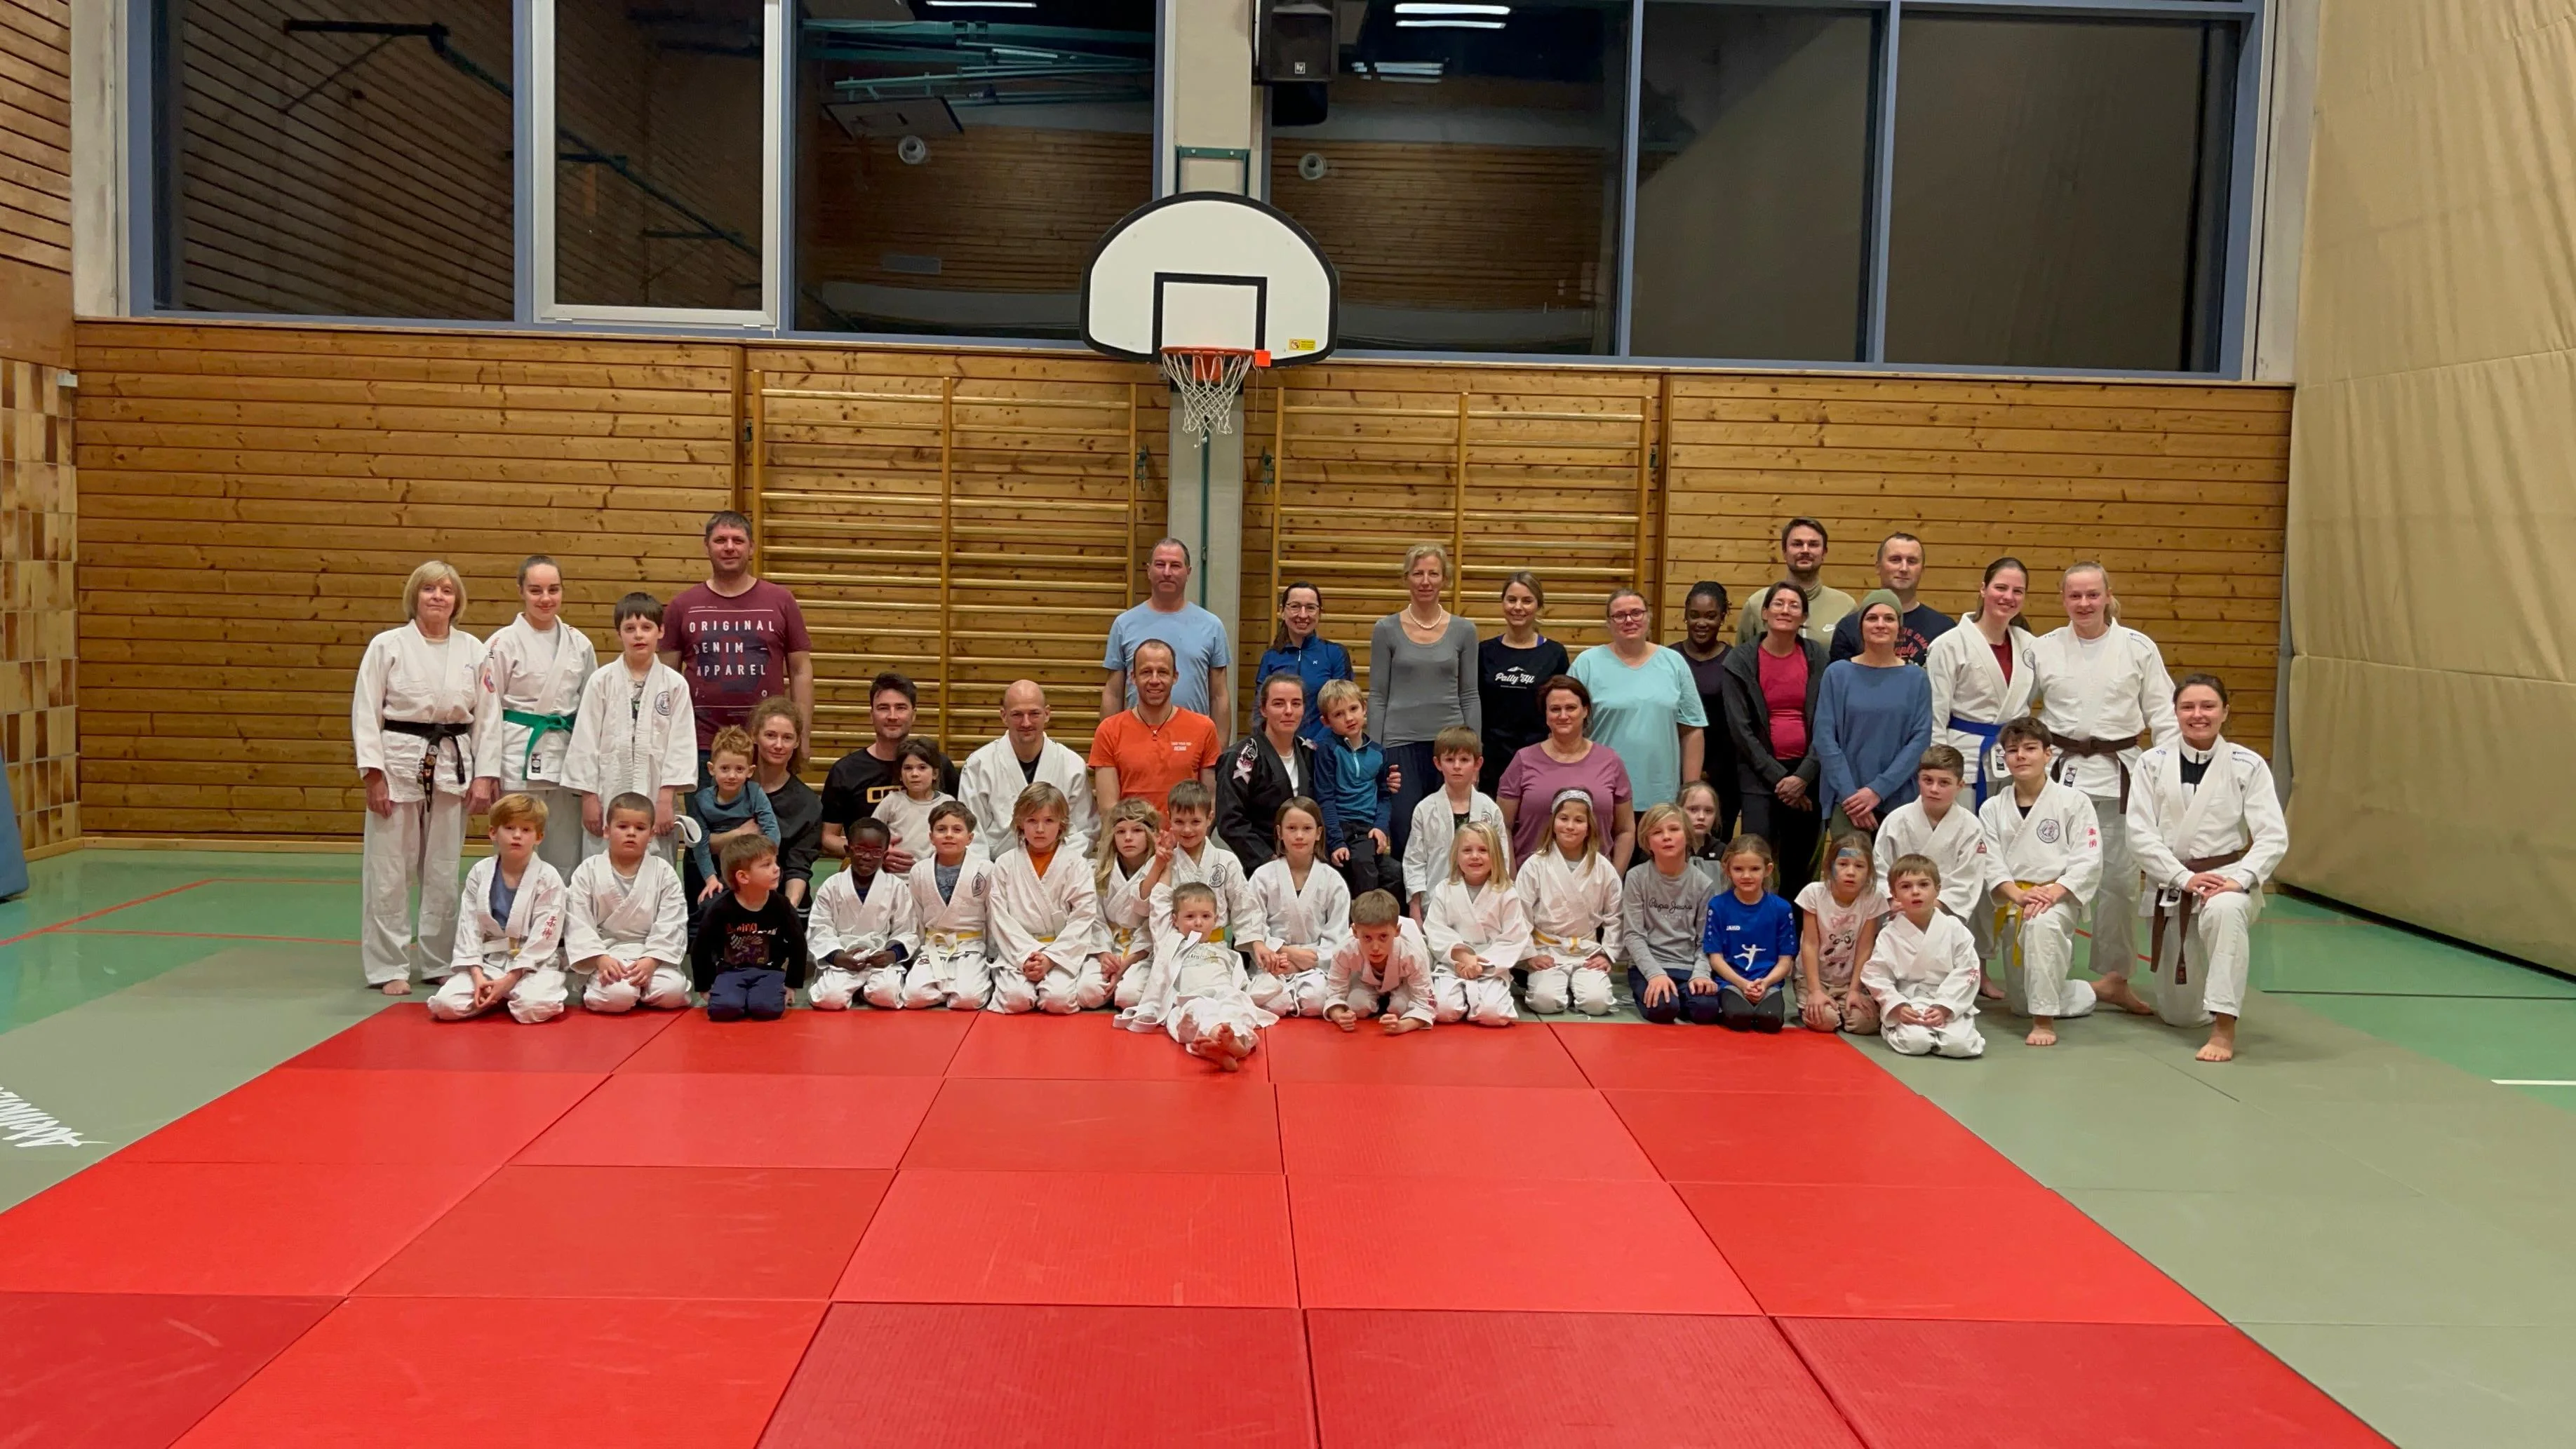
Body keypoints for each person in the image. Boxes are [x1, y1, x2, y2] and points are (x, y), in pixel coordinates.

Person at [2028, 562, 2180, 1014]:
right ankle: (2046, 972)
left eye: (2093, 595)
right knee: (2050, 875)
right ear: (2062, 599)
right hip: (2060, 776)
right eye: (2075, 596)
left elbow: (2164, 714)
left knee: (2118, 882)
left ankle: (2115, 977)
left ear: (2108, 596)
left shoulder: (2137, 647)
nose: (2084, 604)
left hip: (2120, 778)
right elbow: (2016, 709)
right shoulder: (2044, 648)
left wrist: (2168, 773)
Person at [2127, 674, 2289, 1062]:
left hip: (2225, 880)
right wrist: (2183, 877)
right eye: (2188, 707)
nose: (2197, 714)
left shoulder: (2247, 765)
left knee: (2225, 913)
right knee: (2181, 1016)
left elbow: (2272, 835)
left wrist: (2240, 879)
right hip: (2172, 883)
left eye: (2208, 706)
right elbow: (2138, 834)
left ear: (2225, 712)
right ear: (2175, 712)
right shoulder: (2152, 762)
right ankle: (2200, 1001)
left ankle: (2224, 1028)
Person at [354, 560, 488, 996]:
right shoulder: (387, 645)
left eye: (447, 590)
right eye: (429, 589)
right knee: (389, 869)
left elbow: (488, 717)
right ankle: (387, 965)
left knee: (444, 870)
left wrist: (484, 776)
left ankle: (439, 961)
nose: (438, 597)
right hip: (396, 762)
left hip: (452, 764)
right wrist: (373, 774)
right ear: (415, 595)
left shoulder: (473, 650)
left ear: (457, 600)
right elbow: (366, 711)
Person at [1981, 717, 2104, 1046]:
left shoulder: (2074, 802)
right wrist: (2016, 895)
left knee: (2042, 926)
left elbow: (2088, 858)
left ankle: (2044, 1022)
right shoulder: (1993, 807)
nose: (2021, 756)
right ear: (2004, 757)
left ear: (2048, 754)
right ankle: (2096, 990)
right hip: (2015, 899)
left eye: (2030, 748)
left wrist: (2053, 892)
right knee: (2021, 1004)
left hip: (2058, 898)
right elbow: (1990, 861)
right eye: (2012, 750)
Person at [473, 555, 597, 877]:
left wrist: (590, 773)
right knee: (516, 850)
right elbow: (486, 712)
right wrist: (486, 772)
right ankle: (508, 909)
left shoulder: (579, 644)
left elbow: (591, 714)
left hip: (565, 760)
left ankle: (559, 911)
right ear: (521, 591)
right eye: (536, 590)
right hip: (516, 758)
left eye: (553, 590)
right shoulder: (500, 644)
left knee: (565, 854)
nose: (545, 598)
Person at [1369, 543, 1481, 875]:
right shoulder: (1386, 629)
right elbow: (1377, 696)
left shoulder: (1464, 630)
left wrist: (1474, 753)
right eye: (1418, 573)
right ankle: (1411, 902)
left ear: (1445, 579)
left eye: (1433, 573)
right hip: (1400, 745)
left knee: (1451, 831)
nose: (1426, 581)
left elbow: (1470, 694)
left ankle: (1450, 898)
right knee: (1404, 828)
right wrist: (1375, 754)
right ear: (1407, 578)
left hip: (1450, 747)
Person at [662, 511, 812, 753]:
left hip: (767, 743)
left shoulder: (781, 601)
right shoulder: (682, 606)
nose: (729, 547)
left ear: (751, 547)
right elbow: (665, 678)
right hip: (699, 743)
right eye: (721, 540)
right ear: (707, 546)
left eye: (738, 540)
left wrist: (802, 736)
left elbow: (801, 671)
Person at [563, 593, 696, 865]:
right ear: (619, 633)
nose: (639, 635)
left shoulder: (674, 685)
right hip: (608, 792)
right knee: (601, 866)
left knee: (656, 867)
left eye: (647, 627)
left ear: (660, 632)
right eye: (630, 628)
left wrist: (666, 800)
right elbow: (585, 741)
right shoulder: (601, 681)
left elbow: (680, 745)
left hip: (656, 793)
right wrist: (589, 798)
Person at [1720, 583, 1827, 898]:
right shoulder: (1740, 660)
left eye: (1794, 605)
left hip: (1808, 776)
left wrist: (1803, 777)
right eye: (1778, 604)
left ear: (1804, 617)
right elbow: (1740, 730)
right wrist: (1783, 781)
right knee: (1755, 863)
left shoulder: (1818, 657)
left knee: (1799, 868)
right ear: (1765, 613)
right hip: (1759, 776)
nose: (1785, 610)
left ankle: (1794, 928)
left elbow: (1828, 721)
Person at [429, 793, 570, 1025]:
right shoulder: (480, 873)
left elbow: (544, 937)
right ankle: (496, 993)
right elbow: (469, 928)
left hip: (532, 965)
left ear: (539, 837)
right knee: (446, 1006)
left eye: (526, 830)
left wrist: (510, 980)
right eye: (509, 828)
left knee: (533, 1008)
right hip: (490, 962)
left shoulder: (548, 877)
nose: (517, 835)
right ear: (493, 832)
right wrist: (477, 975)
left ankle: (507, 993)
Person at [1873, 746, 2002, 995]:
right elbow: (1881, 869)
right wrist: (1894, 901)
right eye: (1928, 780)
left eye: (1944, 783)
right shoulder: (1896, 820)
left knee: (1976, 906)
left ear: (1960, 785)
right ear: (1918, 780)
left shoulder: (1970, 826)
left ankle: (1966, 980)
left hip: (1947, 911)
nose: (1934, 789)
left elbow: (1968, 879)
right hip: (1900, 908)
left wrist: (1932, 906)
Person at [1571, 588, 1705, 813]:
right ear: (1609, 623)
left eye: (1636, 613)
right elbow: (1567, 728)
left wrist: (1690, 792)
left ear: (1648, 617)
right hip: (1601, 795)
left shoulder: (1674, 663)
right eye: (1619, 615)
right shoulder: (1587, 664)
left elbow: (1692, 729)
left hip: (1661, 799)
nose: (1629, 620)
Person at [1813, 592, 1934, 835]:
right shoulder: (1837, 674)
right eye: (1872, 618)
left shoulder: (1917, 678)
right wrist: (1851, 795)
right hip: (1848, 802)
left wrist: (1878, 790)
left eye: (1889, 618)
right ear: (1861, 626)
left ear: (1899, 628)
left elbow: (1920, 741)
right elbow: (1824, 739)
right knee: (1850, 860)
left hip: (1899, 799)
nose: (1880, 624)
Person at [1115, 882, 1267, 1071]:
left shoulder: (1226, 952)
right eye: (1190, 917)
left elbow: (1240, 984)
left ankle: (1234, 1045)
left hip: (1225, 994)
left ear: (1216, 920)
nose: (1198, 923)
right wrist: (1164, 867)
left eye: (1206, 916)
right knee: (1197, 1012)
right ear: (1174, 920)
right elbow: (1159, 908)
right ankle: (1222, 1039)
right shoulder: (1170, 944)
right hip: (1191, 999)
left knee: (1239, 1008)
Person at [1926, 558, 2040, 809]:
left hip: (2015, 759)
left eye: (2018, 591)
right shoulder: (1949, 645)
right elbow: (1936, 715)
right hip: (1964, 761)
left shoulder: (2031, 646)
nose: (2008, 597)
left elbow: (2029, 699)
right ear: (1983, 589)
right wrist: (1941, 770)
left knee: (2011, 830)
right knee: (1963, 830)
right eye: (2001, 588)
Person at [982, 783, 1106, 1015]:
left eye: (1049, 821)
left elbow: (1083, 916)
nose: (1040, 829)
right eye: (1032, 820)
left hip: (1060, 951)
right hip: (1018, 952)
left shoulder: (1076, 864)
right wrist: (1028, 956)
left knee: (1058, 1000)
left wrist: (1049, 958)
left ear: (1062, 824)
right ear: (1020, 823)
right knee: (1015, 999)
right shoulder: (1005, 864)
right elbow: (999, 917)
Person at [565, 793, 692, 1015]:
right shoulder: (589, 870)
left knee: (672, 992)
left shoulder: (663, 872)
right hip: (607, 954)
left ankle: (640, 988)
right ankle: (610, 986)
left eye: (640, 828)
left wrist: (652, 960)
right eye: (623, 826)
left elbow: (672, 921)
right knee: (618, 996)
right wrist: (600, 959)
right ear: (607, 831)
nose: (631, 833)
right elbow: (578, 921)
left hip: (651, 953)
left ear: (651, 834)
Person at [819, 672, 959, 871]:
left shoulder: (940, 765)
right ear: (872, 715)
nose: (892, 716)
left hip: (932, 874)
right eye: (883, 708)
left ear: (913, 714)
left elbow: (961, 824)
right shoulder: (846, 770)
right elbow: (828, 838)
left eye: (901, 708)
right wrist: (872, 852)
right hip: (869, 874)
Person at [1496, 676, 1636, 867]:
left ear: (1585, 711)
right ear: (1546, 715)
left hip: (1595, 880)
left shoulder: (1610, 761)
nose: (1563, 716)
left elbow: (1625, 830)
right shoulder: (1523, 760)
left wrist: (1614, 877)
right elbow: (1502, 826)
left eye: (1571, 708)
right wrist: (1512, 878)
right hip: (1533, 880)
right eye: (1555, 709)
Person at [1863, 855, 1987, 1059]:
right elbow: (1876, 974)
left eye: (1923, 885)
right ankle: (1895, 1030)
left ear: (1938, 889)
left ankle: (1947, 1029)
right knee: (1916, 1043)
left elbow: (1968, 970)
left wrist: (1945, 1006)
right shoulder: (1889, 934)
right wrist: (1897, 1005)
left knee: (1960, 1046)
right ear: (1894, 894)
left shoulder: (1954, 928)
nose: (1915, 892)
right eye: (1905, 886)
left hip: (1949, 1000)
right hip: (1909, 1002)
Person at [958, 680, 1099, 861]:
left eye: (1034, 714)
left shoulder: (1071, 765)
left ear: (1047, 714)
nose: (1026, 723)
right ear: (1003, 716)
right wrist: (988, 872)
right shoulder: (979, 765)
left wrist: (1057, 866)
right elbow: (971, 830)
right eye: (1017, 714)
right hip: (995, 868)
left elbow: (1084, 829)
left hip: (1058, 867)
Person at [1515, 790, 1623, 1017]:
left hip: (1586, 951)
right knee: (1545, 1002)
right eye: (1564, 818)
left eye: (1579, 820)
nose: (1570, 826)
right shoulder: (1535, 865)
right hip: (1547, 949)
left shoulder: (1603, 868)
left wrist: (1607, 954)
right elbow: (1520, 914)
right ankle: (1557, 987)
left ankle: (1574, 988)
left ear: (1589, 827)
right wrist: (1530, 955)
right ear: (1553, 823)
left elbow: (1616, 915)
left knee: (1597, 1004)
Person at [1101, 537, 1230, 724]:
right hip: (1137, 735)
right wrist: (1108, 737)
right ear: (1148, 570)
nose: (1167, 572)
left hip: (1193, 737)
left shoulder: (1212, 626)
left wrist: (1219, 743)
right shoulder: (1124, 624)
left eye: (1175, 565)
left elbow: (1219, 696)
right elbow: (1113, 693)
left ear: (1188, 572)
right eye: (1160, 564)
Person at [1089, 640, 1222, 817]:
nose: (1154, 680)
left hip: (1184, 834)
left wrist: (1185, 834)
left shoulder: (1204, 728)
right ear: (1133, 677)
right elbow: (1108, 808)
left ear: (1175, 677)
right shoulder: (1109, 730)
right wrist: (1139, 834)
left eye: (1162, 672)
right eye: (1146, 672)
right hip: (1130, 833)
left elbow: (1210, 802)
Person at [1247, 796, 1350, 1018]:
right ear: (1279, 832)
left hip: (1316, 966)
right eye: (1292, 828)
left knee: (1316, 1001)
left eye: (1307, 828)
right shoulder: (1263, 877)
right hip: (1273, 963)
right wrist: (1283, 953)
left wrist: (1309, 961)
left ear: (1319, 833)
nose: (1300, 836)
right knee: (1269, 1001)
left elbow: (1338, 936)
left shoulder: (1332, 881)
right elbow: (1253, 928)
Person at [1622, 803, 1721, 1025]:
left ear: (1687, 836)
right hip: (1648, 966)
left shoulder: (1703, 883)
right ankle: (1656, 994)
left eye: (1674, 829)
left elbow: (1706, 940)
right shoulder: (1637, 877)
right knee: (1664, 1009)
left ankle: (1682, 996)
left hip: (1687, 967)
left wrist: (1701, 974)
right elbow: (1633, 935)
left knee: (1706, 1010)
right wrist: (1654, 974)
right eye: (1657, 832)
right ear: (1647, 842)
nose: (1666, 837)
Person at [690, 834, 806, 1022]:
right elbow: (701, 947)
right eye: (766, 865)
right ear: (743, 877)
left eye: (775, 862)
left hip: (769, 971)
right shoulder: (720, 909)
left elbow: (798, 944)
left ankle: (754, 997)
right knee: (724, 1009)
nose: (776, 868)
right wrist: (704, 986)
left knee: (767, 1009)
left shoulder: (782, 906)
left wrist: (792, 984)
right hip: (730, 972)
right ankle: (738, 997)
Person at [1423, 821, 1529, 1027]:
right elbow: (1435, 930)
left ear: (1495, 855)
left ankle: (1475, 999)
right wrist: (1463, 957)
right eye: (1467, 850)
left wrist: (1480, 964)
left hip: (1490, 966)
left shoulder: (1507, 892)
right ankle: (1465, 999)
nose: (1475, 856)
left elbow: (1513, 938)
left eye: (1483, 850)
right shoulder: (1444, 889)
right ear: (1456, 855)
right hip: (1454, 963)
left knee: (1494, 1015)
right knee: (1443, 1011)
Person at [894, 802, 995, 1010]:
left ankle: (962, 984)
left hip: (971, 946)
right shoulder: (919, 871)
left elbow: (992, 916)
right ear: (931, 837)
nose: (949, 835)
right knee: (913, 998)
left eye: (957, 830)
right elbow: (916, 916)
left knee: (968, 999)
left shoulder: (985, 869)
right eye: (941, 829)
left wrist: (992, 953)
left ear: (970, 838)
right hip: (934, 946)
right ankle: (948, 987)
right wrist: (917, 952)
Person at [1477, 572, 1570, 796]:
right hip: (1492, 759)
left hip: (1539, 756)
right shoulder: (1484, 652)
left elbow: (1562, 707)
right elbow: (1474, 703)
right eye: (1512, 600)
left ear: (1539, 606)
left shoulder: (1554, 654)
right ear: (1503, 603)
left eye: (1527, 601)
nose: (1518, 607)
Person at [806, 816, 913, 1011]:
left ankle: (863, 990)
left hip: (879, 959)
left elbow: (907, 929)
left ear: (885, 855)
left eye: (876, 852)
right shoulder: (832, 886)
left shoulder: (896, 887)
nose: (867, 857)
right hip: (844, 958)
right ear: (848, 850)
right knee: (829, 999)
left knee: (887, 995)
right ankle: (851, 987)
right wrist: (836, 956)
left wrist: (892, 954)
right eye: (860, 849)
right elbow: (819, 927)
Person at [1215, 673, 1320, 870]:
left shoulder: (1311, 753)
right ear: (1264, 709)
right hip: (1259, 866)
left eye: (1296, 704)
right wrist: (1269, 861)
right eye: (1279, 704)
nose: (1289, 711)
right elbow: (1230, 821)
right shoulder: (1242, 758)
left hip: (1306, 861)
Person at [1144, 780, 1268, 947]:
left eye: (1195, 822)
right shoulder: (1162, 861)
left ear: (1210, 818)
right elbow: (1142, 909)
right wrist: (1160, 866)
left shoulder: (1226, 861)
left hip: (1216, 949)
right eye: (1179, 822)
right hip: (1173, 948)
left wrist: (1257, 944)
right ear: (1170, 818)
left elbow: (1244, 909)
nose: (1187, 830)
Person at [1402, 727, 1508, 919]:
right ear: (1438, 763)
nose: (1457, 766)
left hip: (1484, 907)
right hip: (1435, 906)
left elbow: (1502, 860)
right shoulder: (1425, 809)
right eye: (1450, 760)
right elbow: (1415, 862)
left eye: (1464, 760)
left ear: (1478, 763)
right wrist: (1415, 908)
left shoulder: (1490, 810)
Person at [1702, 835, 1797, 1034]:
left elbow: (1785, 960)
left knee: (1771, 1021)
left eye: (1755, 869)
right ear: (1727, 870)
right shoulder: (1718, 906)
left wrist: (1766, 983)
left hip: (1767, 983)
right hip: (1731, 982)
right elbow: (1716, 958)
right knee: (1739, 1018)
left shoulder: (1782, 909)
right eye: (1738, 869)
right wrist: (1742, 984)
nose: (1747, 876)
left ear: (1768, 870)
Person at [1313, 680, 1399, 896]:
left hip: (1366, 828)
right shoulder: (1328, 750)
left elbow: (1385, 796)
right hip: (1339, 826)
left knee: (1393, 873)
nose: (1349, 718)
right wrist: (1336, 842)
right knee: (1361, 865)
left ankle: (1377, 915)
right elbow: (1325, 799)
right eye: (1339, 714)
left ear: (1364, 708)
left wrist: (1380, 827)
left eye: (1353, 709)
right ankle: (1362, 915)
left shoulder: (1379, 752)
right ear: (1326, 721)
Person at [1795, 835, 1886, 1035]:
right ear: (1830, 866)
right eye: (1843, 864)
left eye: (1859, 866)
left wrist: (1855, 990)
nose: (1851, 872)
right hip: (1816, 978)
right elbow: (1809, 944)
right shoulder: (1814, 894)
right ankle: (1821, 1003)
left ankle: (1844, 1004)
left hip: (1849, 981)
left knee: (1864, 1023)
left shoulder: (1873, 898)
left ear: (1870, 871)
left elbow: (1865, 947)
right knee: (1825, 1021)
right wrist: (1815, 991)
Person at [1675, 580, 1739, 841]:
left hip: (1723, 774)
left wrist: (1709, 772)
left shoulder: (1735, 661)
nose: (1701, 623)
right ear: (1685, 616)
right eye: (1695, 615)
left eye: (1710, 616)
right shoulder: (1669, 659)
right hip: (1674, 772)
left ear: (1722, 617)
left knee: (1715, 847)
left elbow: (1737, 726)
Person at [1828, 533, 1954, 666]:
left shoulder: (1944, 629)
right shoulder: (1849, 627)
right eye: (1895, 560)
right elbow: (1839, 676)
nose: (1904, 568)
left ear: (1922, 570)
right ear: (1878, 567)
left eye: (1912, 561)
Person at [686, 726, 779, 904]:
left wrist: (766, 864)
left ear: (750, 771)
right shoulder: (701, 800)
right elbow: (701, 844)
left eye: (739, 769)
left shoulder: (755, 793)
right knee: (709, 902)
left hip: (749, 862)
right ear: (711, 769)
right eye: (725, 768)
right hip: (715, 864)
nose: (732, 775)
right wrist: (711, 879)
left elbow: (772, 831)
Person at [1324, 889, 1438, 1034]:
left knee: (1400, 1008)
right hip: (1365, 981)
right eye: (1367, 938)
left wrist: (1403, 1026)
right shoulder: (1345, 950)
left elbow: (1426, 1004)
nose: (1375, 947)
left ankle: (1393, 1002)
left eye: (1383, 937)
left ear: (1397, 931)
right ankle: (1377, 1002)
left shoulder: (1413, 953)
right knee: (1356, 1005)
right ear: (1355, 932)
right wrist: (1340, 1016)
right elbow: (1334, 993)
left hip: (1405, 981)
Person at [747, 697, 823, 909]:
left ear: (797, 742)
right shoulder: (731, 787)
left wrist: (787, 911)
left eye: (787, 738)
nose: (779, 745)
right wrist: (737, 835)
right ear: (754, 735)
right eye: (771, 735)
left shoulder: (808, 803)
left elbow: (798, 868)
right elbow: (704, 844)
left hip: (781, 900)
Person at [1255, 581, 1352, 747]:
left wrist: (1313, 745)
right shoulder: (1271, 657)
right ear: (1282, 611)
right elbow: (1260, 710)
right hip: (1279, 750)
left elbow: (1342, 709)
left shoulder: (1335, 654)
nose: (1303, 614)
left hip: (1323, 751)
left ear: (1320, 613)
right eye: (1295, 606)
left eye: (1310, 608)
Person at [1735, 518, 1854, 645]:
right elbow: (1742, 655)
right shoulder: (1757, 604)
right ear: (1784, 552)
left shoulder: (1846, 607)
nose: (1805, 550)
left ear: (1824, 553)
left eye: (1813, 545)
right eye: (1797, 544)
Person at [1094, 799, 1162, 1010]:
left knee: (1129, 997)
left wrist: (1126, 962)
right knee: (1089, 993)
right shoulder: (1099, 869)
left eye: (1137, 830)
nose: (1128, 838)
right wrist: (1103, 954)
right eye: (1121, 831)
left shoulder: (1162, 869)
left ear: (1152, 834)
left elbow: (1158, 924)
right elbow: (1092, 918)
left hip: (1142, 951)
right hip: (1108, 946)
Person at [873, 739, 959, 867]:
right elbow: (871, 834)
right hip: (897, 873)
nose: (914, 774)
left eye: (922, 767)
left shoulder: (947, 803)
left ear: (935, 774)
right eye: (908, 768)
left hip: (934, 873)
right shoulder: (892, 801)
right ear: (900, 775)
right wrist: (883, 849)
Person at [1679, 781, 1727, 865]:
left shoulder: (1722, 851)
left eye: (1708, 811)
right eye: (1693, 809)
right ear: (1679, 811)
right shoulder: (1671, 848)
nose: (1701, 817)